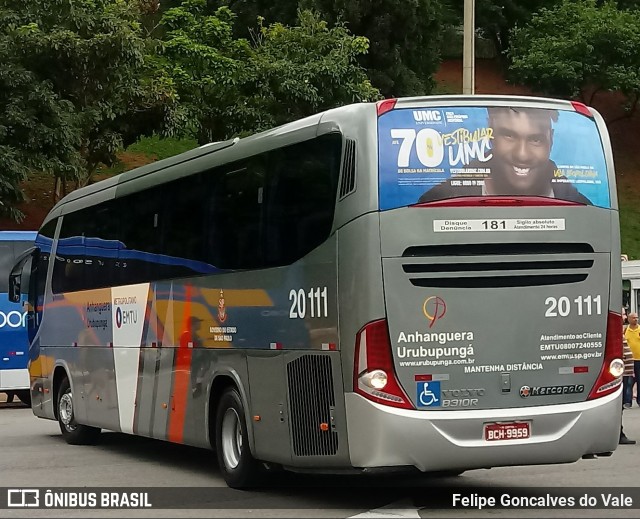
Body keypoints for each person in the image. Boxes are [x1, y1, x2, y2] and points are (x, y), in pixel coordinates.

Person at [418, 107, 592, 204]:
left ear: (551, 139)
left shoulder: (582, 209)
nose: (522, 155)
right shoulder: (438, 201)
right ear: (490, 133)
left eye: (536, 140)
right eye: (508, 135)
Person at [620, 308, 636, 445]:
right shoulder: (617, 331)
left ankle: (619, 432)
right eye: (623, 314)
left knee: (621, 407)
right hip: (620, 374)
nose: (624, 318)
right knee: (619, 406)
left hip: (626, 373)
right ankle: (618, 433)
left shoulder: (620, 331)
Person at [625, 312, 640, 408]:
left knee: (639, 380)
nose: (636, 319)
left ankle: (639, 400)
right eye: (634, 318)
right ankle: (627, 401)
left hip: (639, 359)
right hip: (629, 360)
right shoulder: (625, 329)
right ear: (629, 319)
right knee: (628, 381)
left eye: (637, 318)